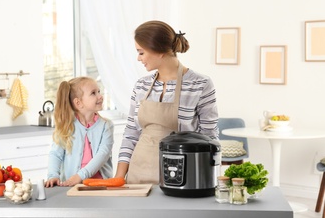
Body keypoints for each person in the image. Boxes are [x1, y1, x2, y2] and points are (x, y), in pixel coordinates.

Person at [114, 20, 219, 184]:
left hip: (181, 176)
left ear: (159, 51)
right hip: (138, 174)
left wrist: (207, 180)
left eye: (141, 52)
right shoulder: (142, 85)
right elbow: (131, 134)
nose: (138, 58)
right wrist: (119, 178)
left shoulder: (200, 84)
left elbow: (209, 137)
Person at [45, 77, 114, 187]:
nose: (100, 96)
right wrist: (53, 175)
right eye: (93, 93)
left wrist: (80, 176)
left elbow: (103, 155)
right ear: (78, 103)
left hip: (100, 184)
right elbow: (55, 154)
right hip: (71, 184)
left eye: (99, 92)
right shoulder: (66, 126)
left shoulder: (106, 126)